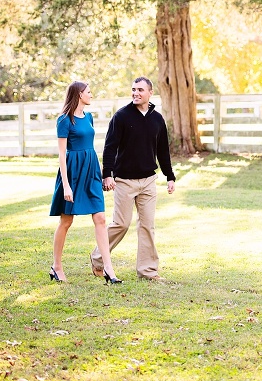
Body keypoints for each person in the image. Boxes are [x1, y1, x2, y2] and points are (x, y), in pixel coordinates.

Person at [90, 76, 176, 281]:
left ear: (150, 93)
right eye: (133, 89)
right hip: (124, 181)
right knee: (121, 224)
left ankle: (148, 271)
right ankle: (98, 257)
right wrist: (107, 175)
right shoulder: (121, 117)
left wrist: (170, 176)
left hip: (148, 181)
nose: (135, 93)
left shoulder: (157, 119)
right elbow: (109, 147)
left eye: (140, 90)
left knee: (147, 225)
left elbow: (163, 151)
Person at [49, 81, 122, 285]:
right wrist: (66, 184)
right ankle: (57, 266)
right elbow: (62, 155)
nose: (91, 95)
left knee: (100, 217)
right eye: (89, 92)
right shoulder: (64, 120)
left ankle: (108, 268)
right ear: (79, 94)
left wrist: (102, 173)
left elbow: (91, 147)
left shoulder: (89, 117)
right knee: (66, 221)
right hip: (72, 172)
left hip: (90, 169)